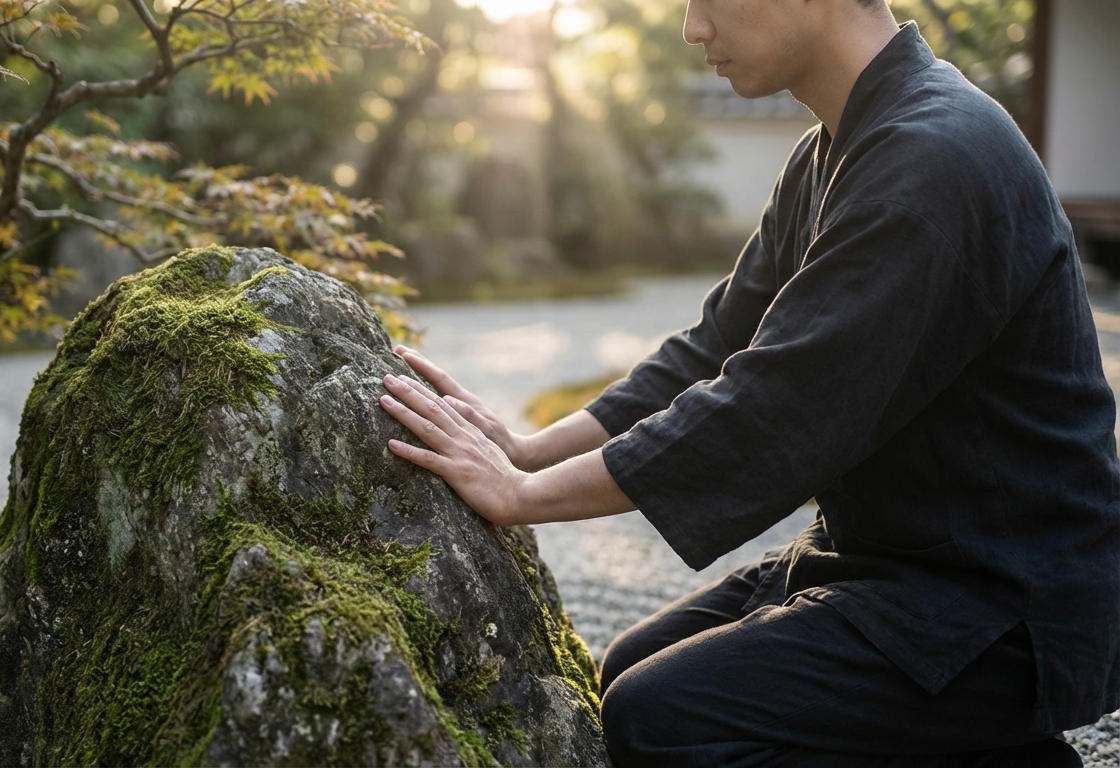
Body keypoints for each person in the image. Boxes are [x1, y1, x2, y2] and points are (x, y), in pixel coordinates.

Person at [375, 0, 1120, 762]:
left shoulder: (935, 156)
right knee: (625, 670)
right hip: (891, 560)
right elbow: (715, 349)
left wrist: (525, 500)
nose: (694, 29)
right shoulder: (831, 150)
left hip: (1000, 600)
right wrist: (528, 452)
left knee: (662, 719)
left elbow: (774, 405)